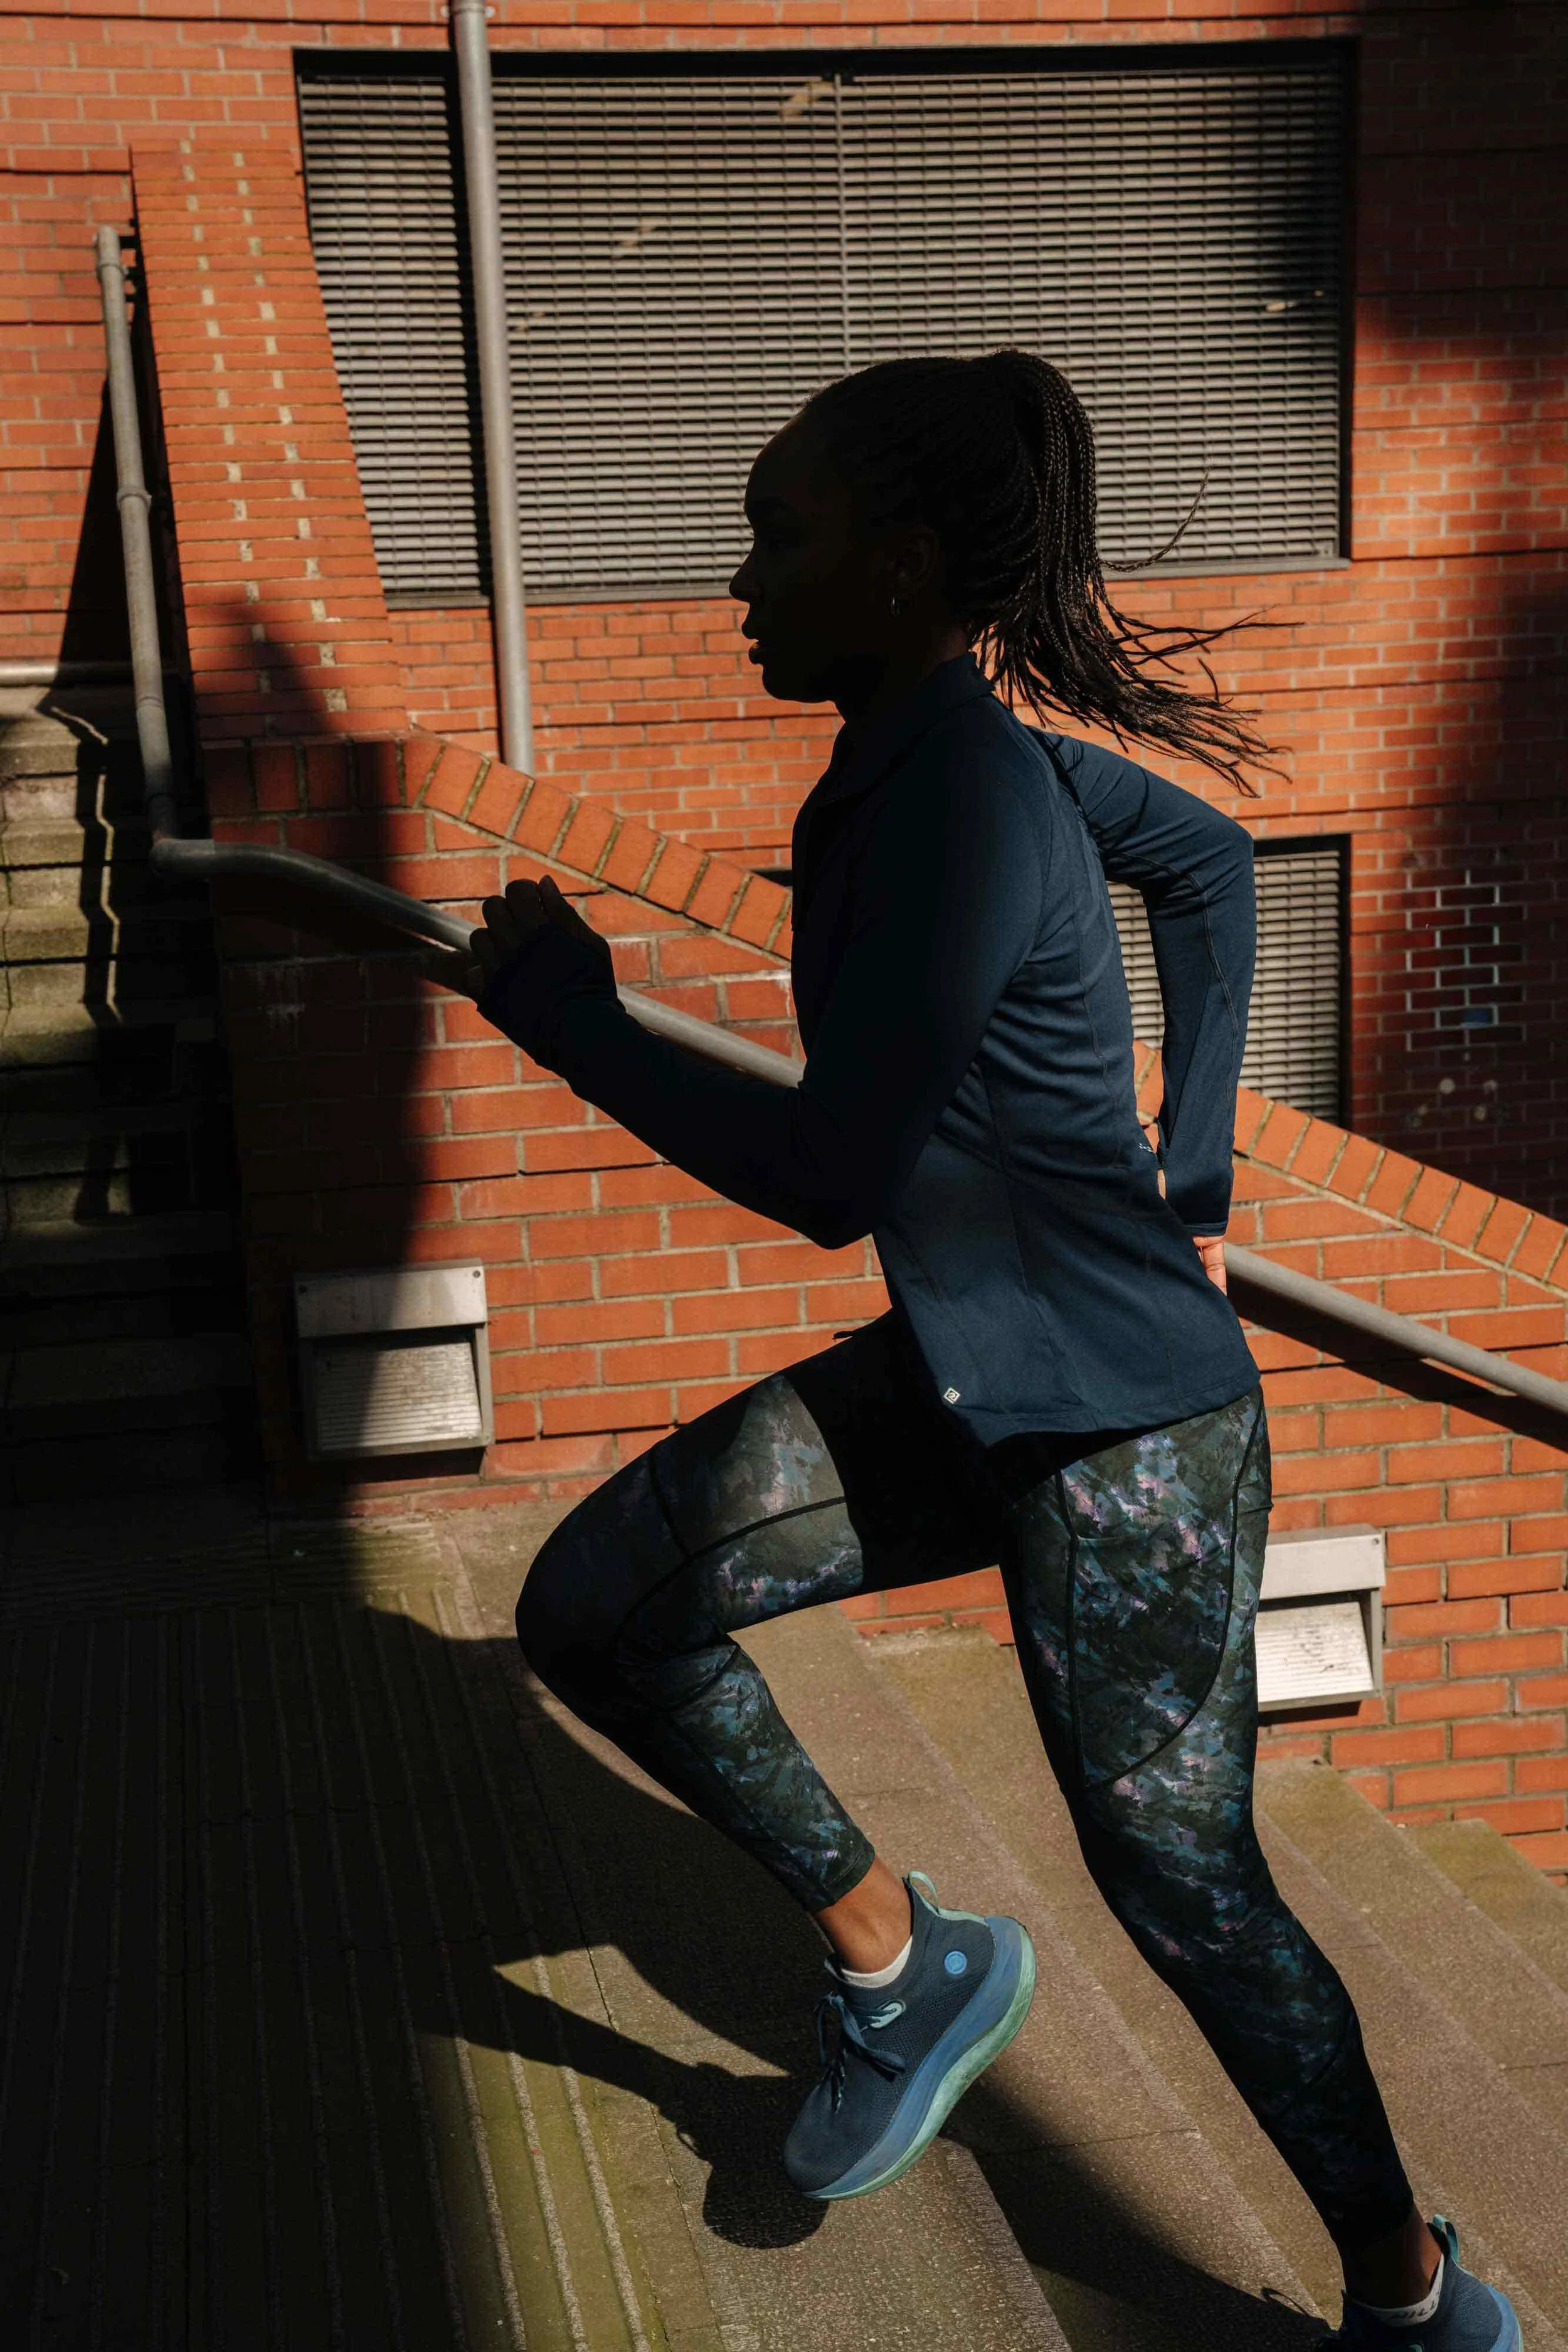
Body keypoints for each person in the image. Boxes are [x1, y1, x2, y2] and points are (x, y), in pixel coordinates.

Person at [452, 352, 1520, 2352]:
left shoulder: (959, 790)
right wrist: (1184, 1154)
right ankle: (902, 1966)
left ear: (902, 560)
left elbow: (829, 1169)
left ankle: (1415, 2298)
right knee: (599, 1604)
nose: (738, 581)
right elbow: (1197, 859)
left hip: (1125, 1441)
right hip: (959, 1382)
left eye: (781, 533)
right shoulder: (915, 756)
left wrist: (572, 1017)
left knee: (1183, 1892)